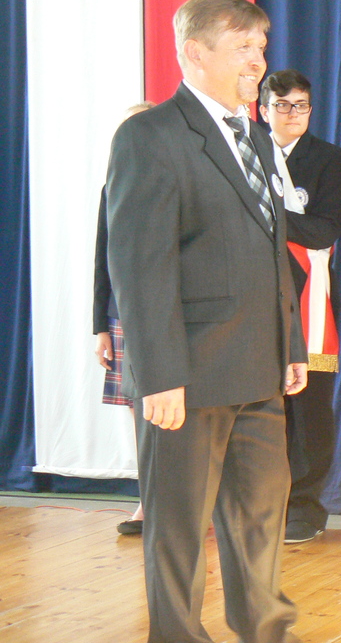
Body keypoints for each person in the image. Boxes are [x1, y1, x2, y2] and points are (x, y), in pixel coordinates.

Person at [105, 0, 307, 643]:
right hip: (186, 378)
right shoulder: (149, 136)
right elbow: (140, 267)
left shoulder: (255, 137)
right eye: (243, 47)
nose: (259, 60)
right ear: (195, 54)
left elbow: (272, 250)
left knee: (261, 520)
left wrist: (291, 344)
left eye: (261, 46)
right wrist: (158, 375)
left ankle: (265, 632)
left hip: (259, 369)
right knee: (180, 529)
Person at [259, 69, 341, 545]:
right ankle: (263, 504)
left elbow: (325, 230)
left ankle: (305, 505)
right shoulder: (247, 151)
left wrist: (269, 216)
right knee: (260, 407)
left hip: (310, 298)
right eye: (282, 105)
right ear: (263, 109)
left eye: (301, 105)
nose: (292, 113)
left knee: (310, 408)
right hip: (254, 296)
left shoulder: (328, 159)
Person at [93, 101, 155, 536]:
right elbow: (103, 256)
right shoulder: (112, 186)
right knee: (139, 414)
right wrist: (100, 324)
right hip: (123, 315)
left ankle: (194, 503)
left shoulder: (181, 179)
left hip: (170, 313)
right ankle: (148, 501)